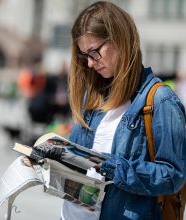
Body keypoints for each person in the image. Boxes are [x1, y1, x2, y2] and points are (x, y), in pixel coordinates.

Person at [59, 1, 186, 220]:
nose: (89, 63)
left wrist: (114, 168)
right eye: (83, 55)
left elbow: (173, 176)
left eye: (94, 52)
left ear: (120, 41)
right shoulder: (92, 97)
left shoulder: (161, 101)